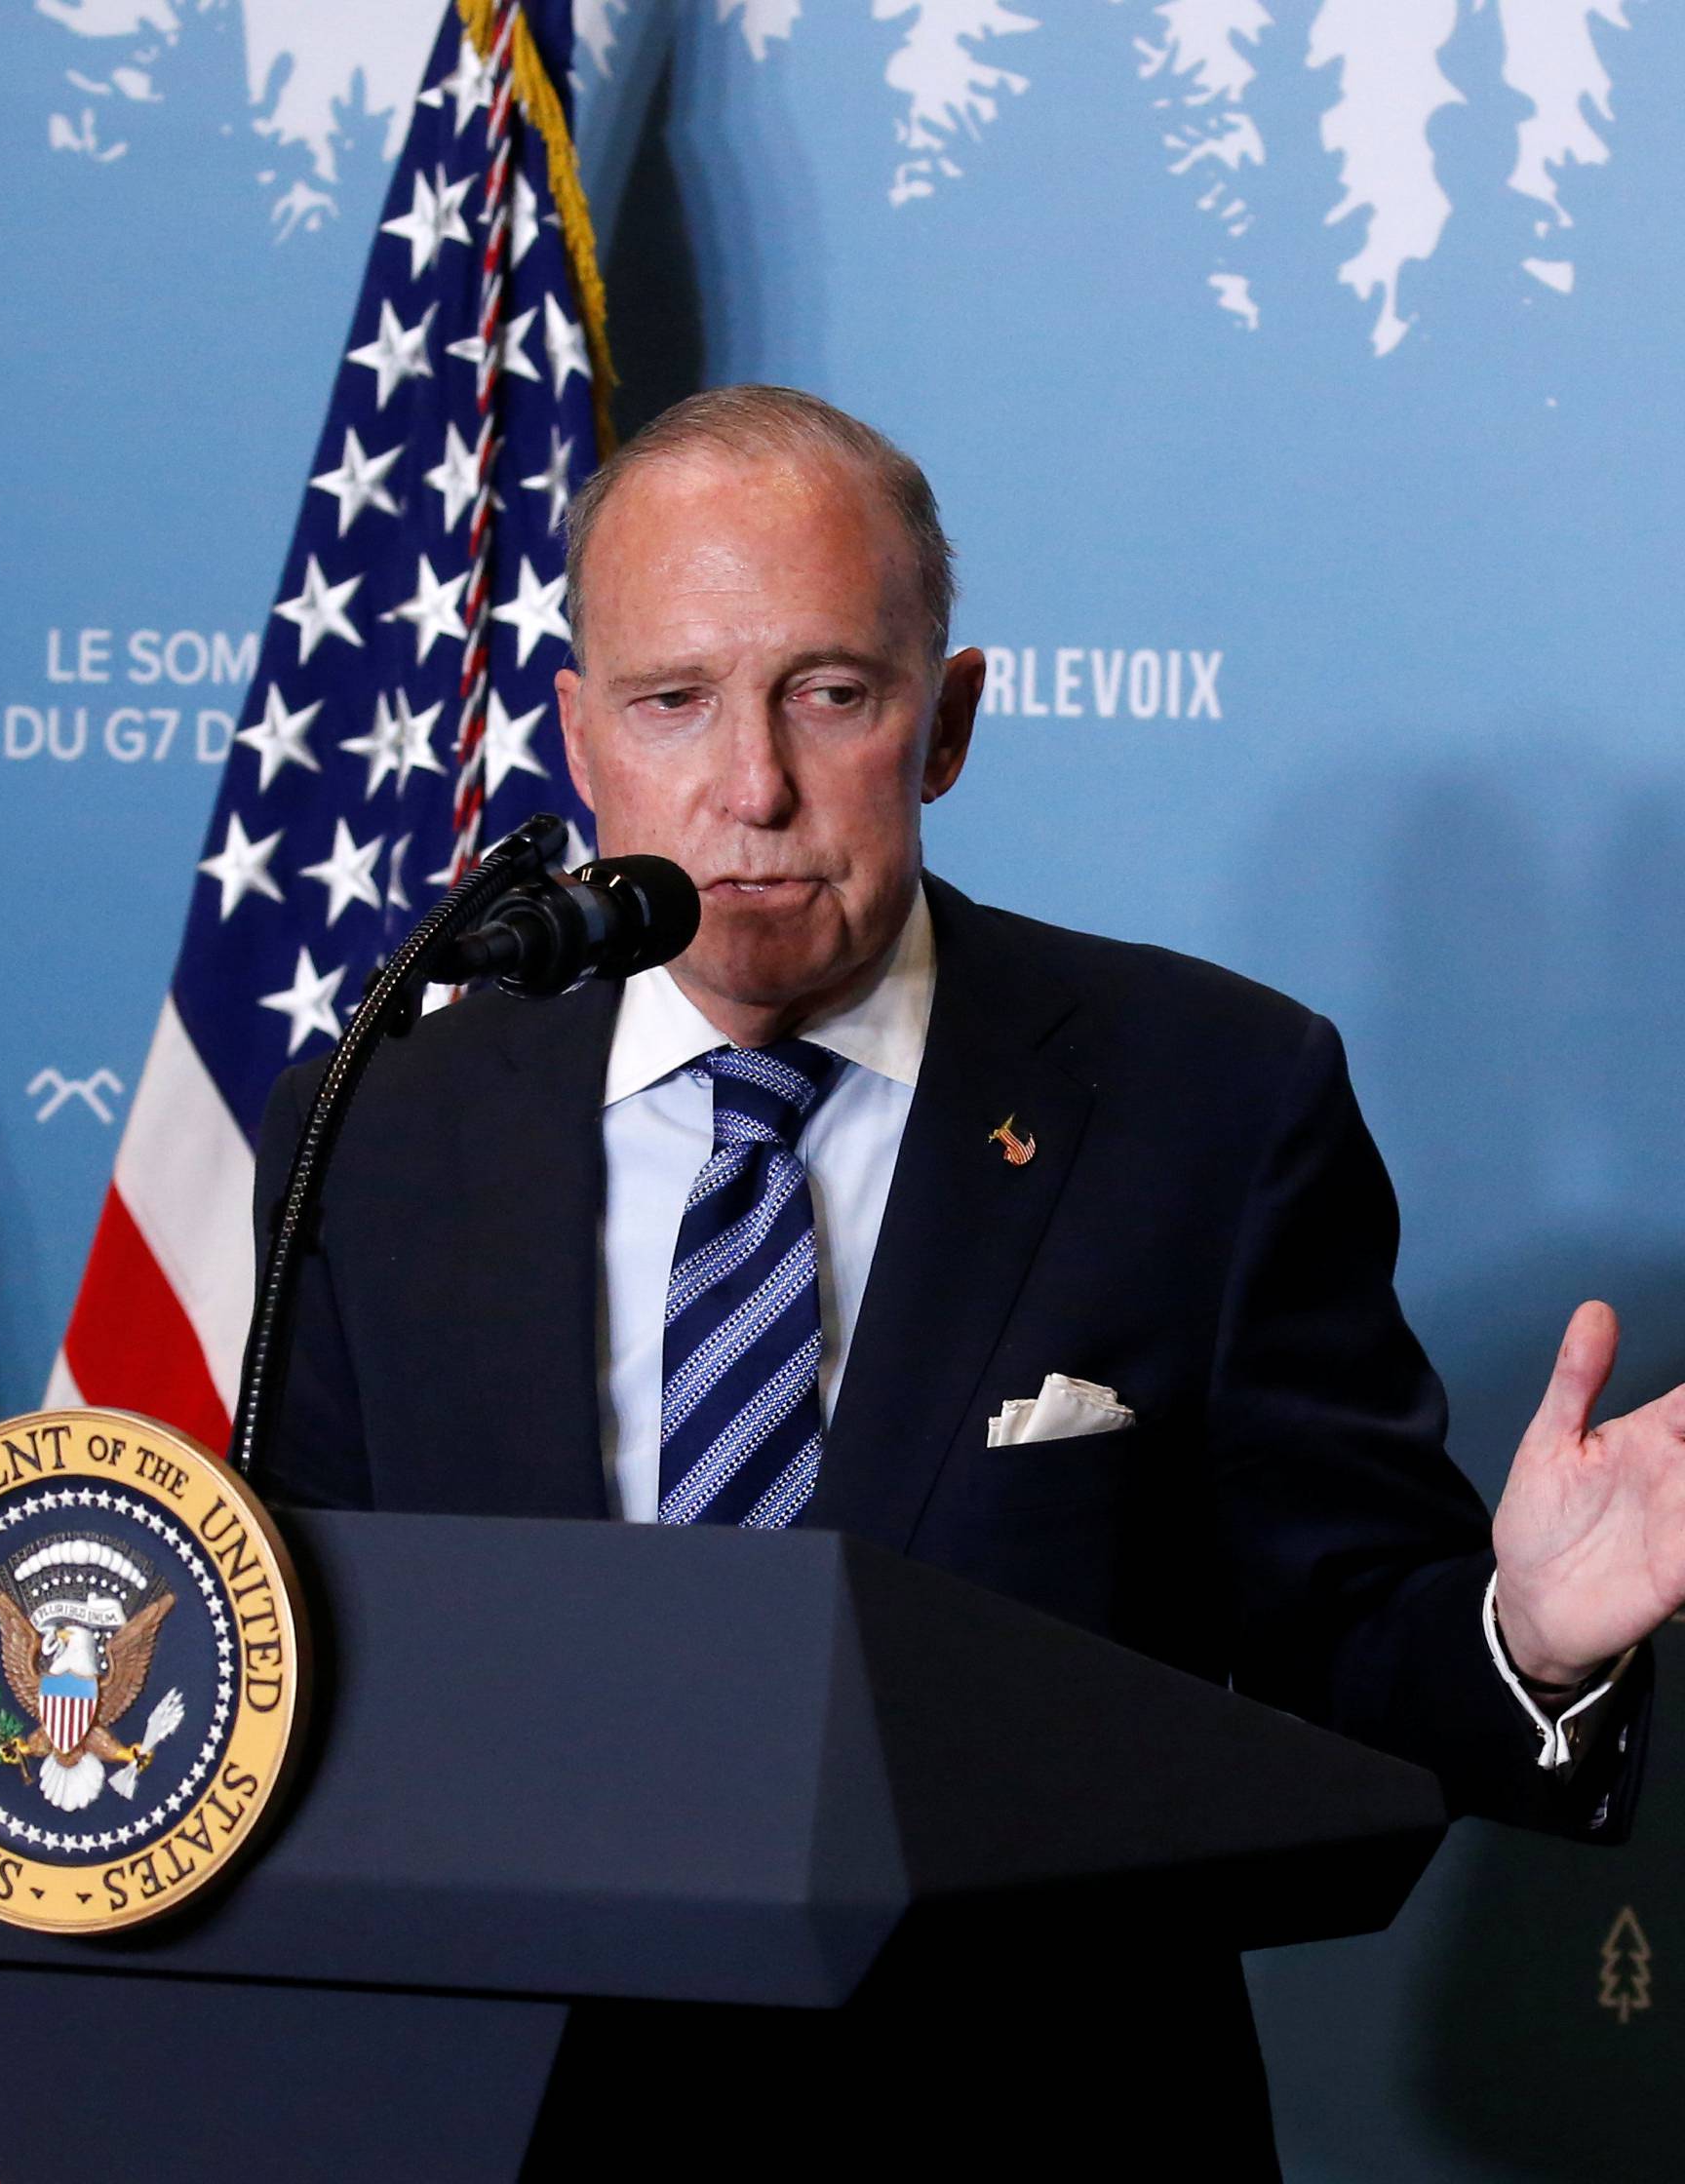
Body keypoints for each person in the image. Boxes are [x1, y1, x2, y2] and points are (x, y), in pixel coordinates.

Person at [255, 386, 1675, 2172]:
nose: (749, 785)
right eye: (673, 701)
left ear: (948, 723)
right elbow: (302, 1656)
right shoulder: (377, 1124)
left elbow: (1341, 1640)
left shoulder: (1207, 1099)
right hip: (510, 2134)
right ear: (582, 738)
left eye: (829, 694)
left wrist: (1528, 1632)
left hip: (1037, 2123)